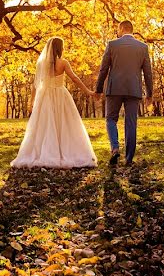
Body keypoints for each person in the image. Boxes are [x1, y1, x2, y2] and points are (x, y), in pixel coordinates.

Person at [11, 37, 98, 169]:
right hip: (60, 94)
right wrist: (88, 91)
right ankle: (64, 151)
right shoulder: (63, 63)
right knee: (65, 123)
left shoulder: (41, 64)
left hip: (44, 96)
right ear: (60, 48)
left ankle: (44, 152)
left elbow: (35, 84)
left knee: (45, 124)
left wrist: (32, 100)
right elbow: (74, 78)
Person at [95, 20, 153, 166]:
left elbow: (103, 69)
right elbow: (148, 73)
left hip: (114, 88)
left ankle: (115, 148)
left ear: (121, 29)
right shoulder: (143, 47)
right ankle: (129, 159)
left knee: (110, 119)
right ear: (131, 30)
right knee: (131, 123)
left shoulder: (112, 44)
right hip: (133, 89)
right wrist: (149, 94)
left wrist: (98, 89)